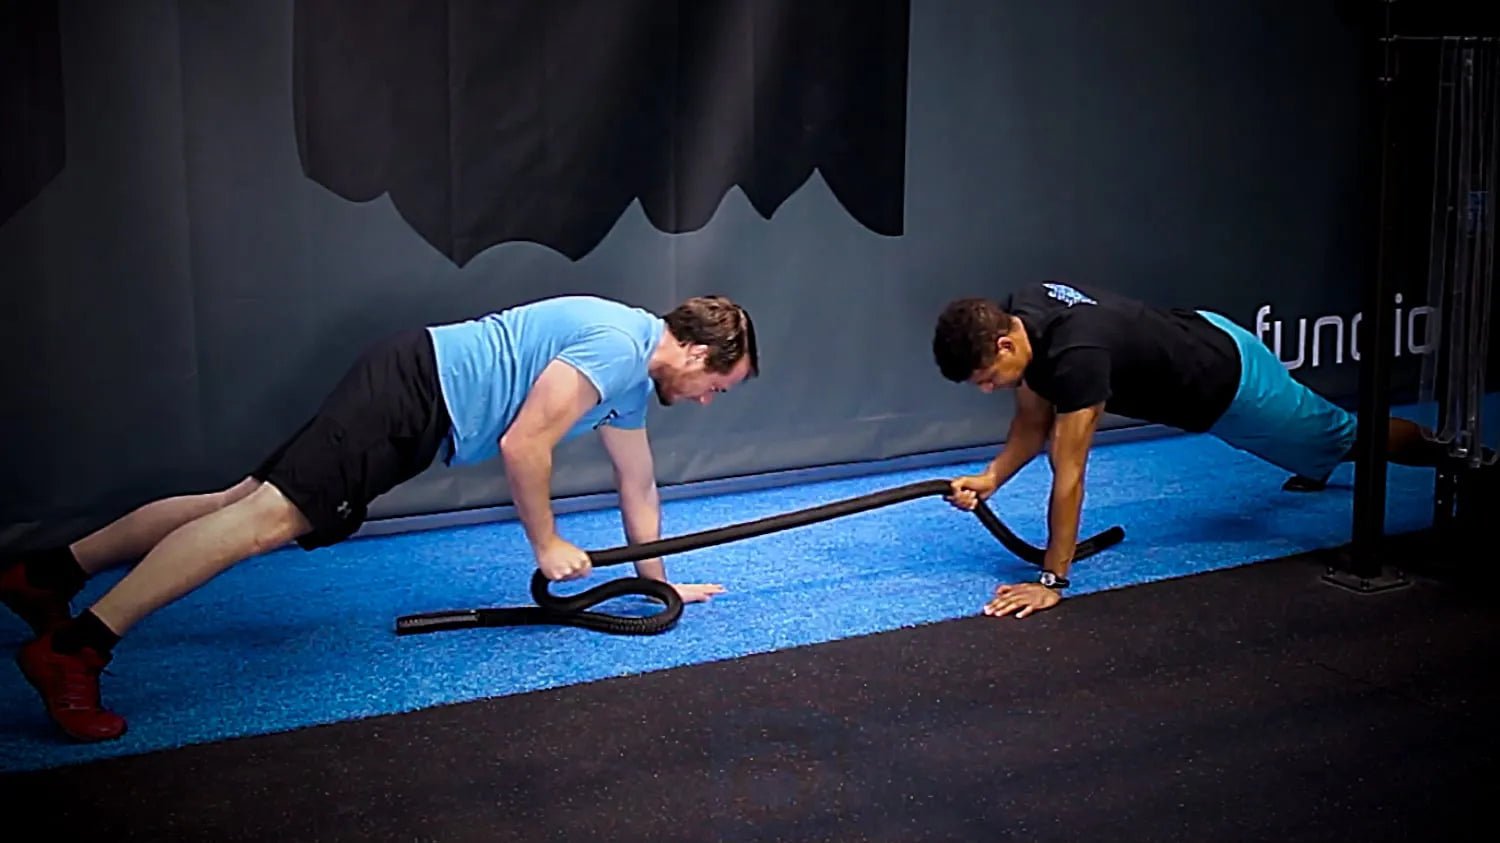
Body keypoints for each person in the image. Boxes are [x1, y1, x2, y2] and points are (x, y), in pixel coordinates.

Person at [1, 293, 759, 742]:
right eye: (719, 386)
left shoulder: (631, 375)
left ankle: (47, 574)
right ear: (694, 352)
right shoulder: (623, 346)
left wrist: (659, 584)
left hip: (411, 393)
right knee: (266, 521)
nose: (708, 401)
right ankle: (76, 647)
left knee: (238, 502)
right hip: (411, 393)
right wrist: (549, 542)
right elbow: (524, 441)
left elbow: (640, 485)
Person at [931, 281, 1448, 620]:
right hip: (1203, 330)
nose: (986, 390)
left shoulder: (1077, 356)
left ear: (1003, 345)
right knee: (1317, 447)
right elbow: (1031, 418)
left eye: (986, 379)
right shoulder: (1025, 313)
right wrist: (992, 478)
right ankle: (1312, 464)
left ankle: (1459, 452)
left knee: (1345, 439)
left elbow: (1069, 472)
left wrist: (1053, 579)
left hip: (1230, 383)